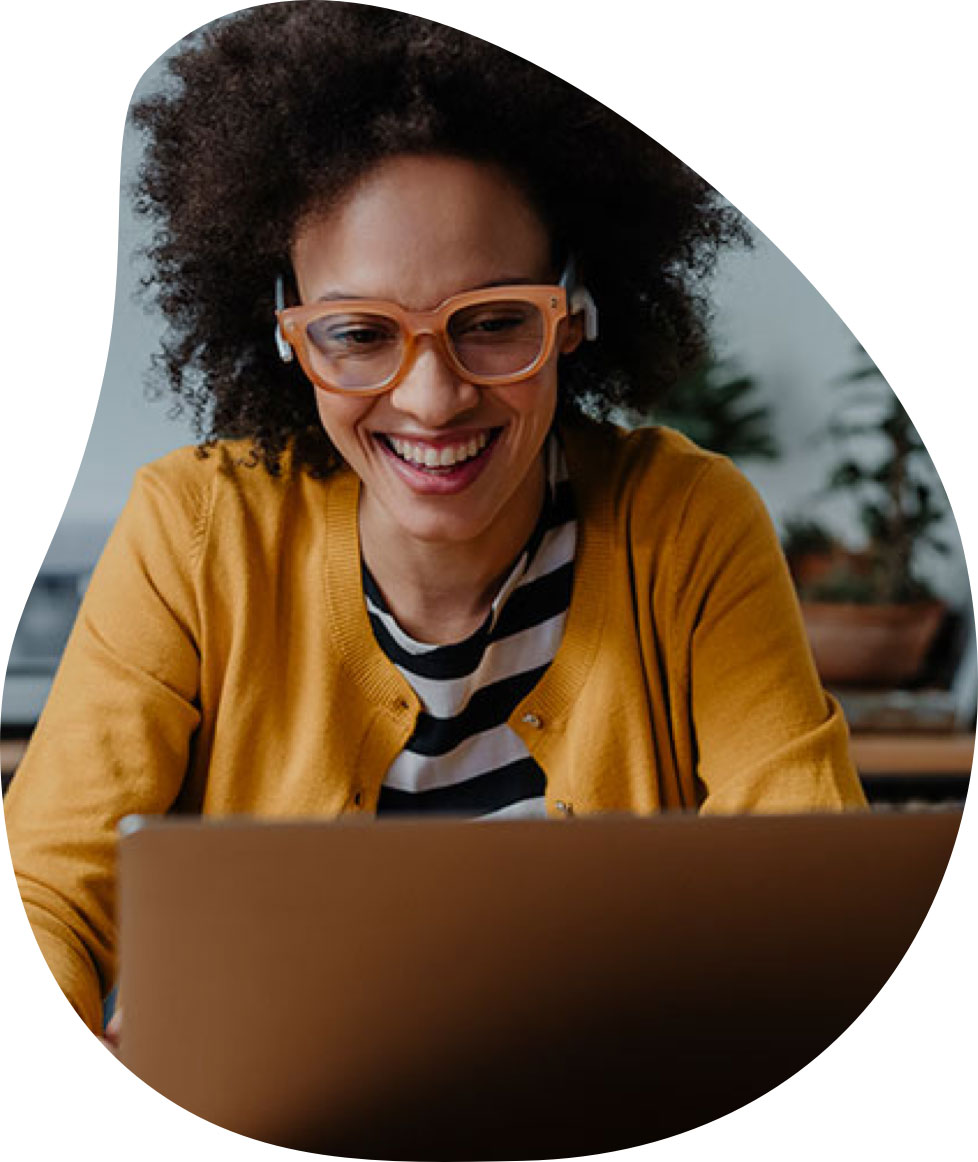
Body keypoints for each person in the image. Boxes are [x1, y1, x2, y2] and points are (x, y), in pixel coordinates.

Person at [4, 0, 866, 1040]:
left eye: (494, 323)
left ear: (576, 310)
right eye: (360, 334)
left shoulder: (686, 524)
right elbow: (43, 901)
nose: (430, 400)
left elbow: (812, 896)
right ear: (285, 335)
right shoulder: (194, 532)